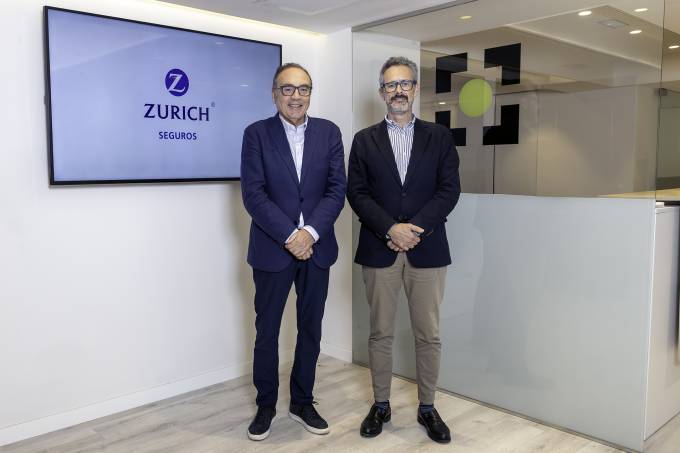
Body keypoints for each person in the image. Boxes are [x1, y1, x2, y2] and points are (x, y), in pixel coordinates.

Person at [347, 56, 460, 444]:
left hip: (427, 251)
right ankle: (381, 405)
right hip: (380, 250)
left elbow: (449, 190)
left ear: (416, 89)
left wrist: (416, 230)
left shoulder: (439, 137)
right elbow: (357, 193)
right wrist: (390, 229)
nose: (398, 90)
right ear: (382, 92)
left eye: (405, 83)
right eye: (391, 84)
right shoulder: (364, 140)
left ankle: (427, 408)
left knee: (428, 334)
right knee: (380, 333)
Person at [240, 62, 346, 441]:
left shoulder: (329, 133)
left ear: (310, 94)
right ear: (274, 94)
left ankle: (302, 402)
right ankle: (266, 406)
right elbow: (253, 194)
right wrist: (291, 236)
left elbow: (336, 189)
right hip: (273, 249)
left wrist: (310, 234)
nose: (296, 96)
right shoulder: (256, 134)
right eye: (287, 89)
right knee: (267, 331)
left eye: (303, 89)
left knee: (310, 329)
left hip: (318, 249)